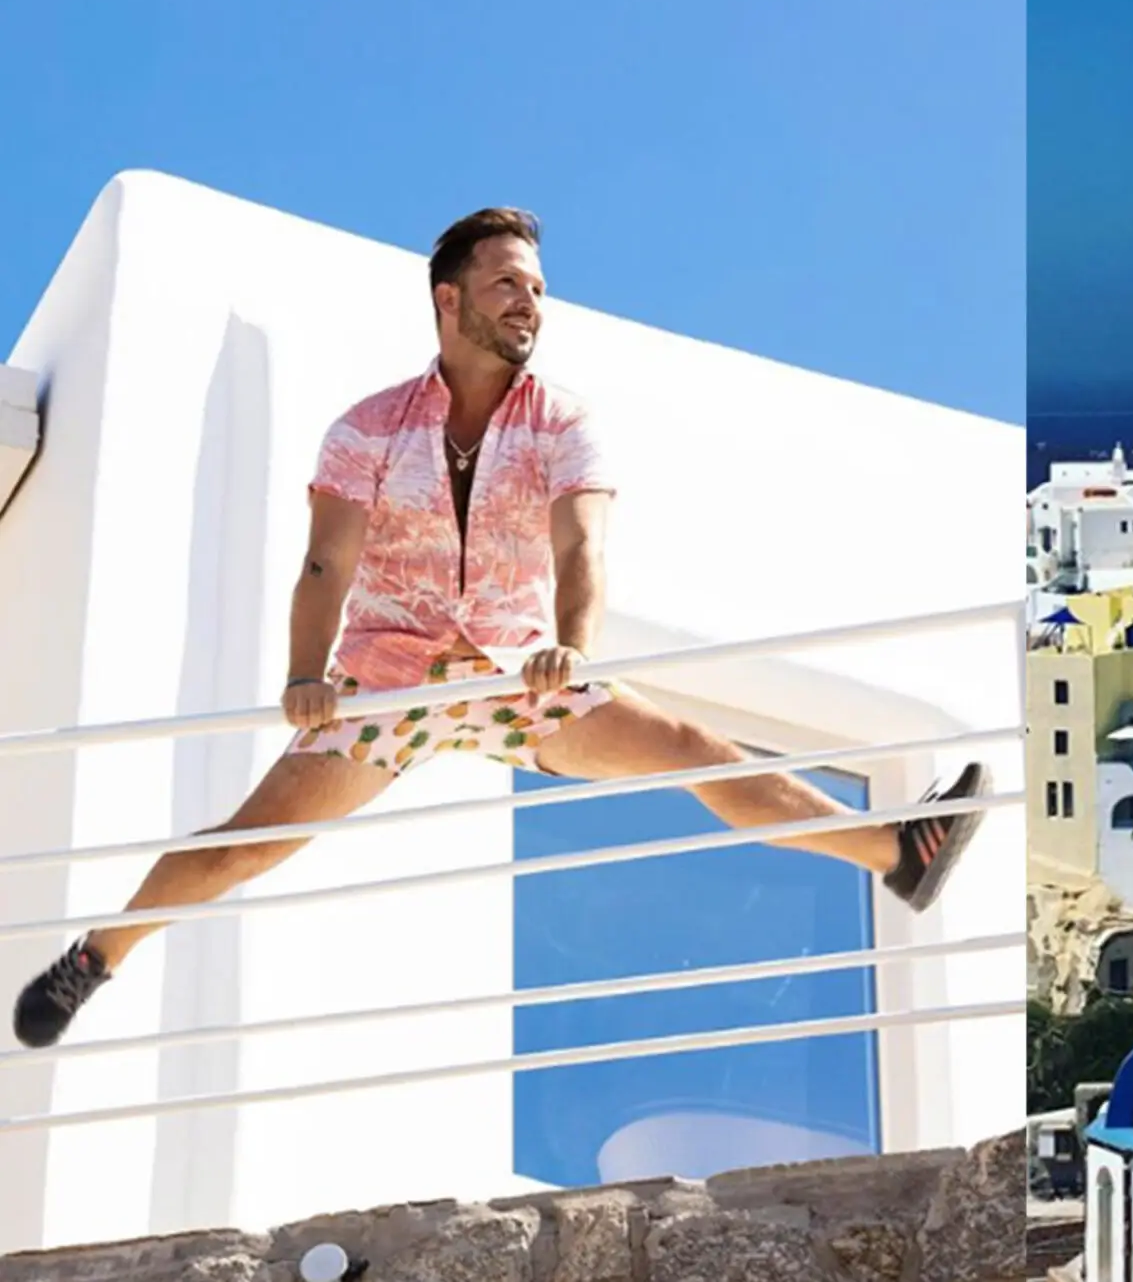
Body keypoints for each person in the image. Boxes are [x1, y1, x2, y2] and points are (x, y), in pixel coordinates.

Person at [13, 208, 987, 1049]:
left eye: (537, 287)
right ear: (449, 300)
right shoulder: (366, 428)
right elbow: (325, 564)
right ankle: (98, 954)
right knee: (241, 848)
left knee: (697, 750)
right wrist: (304, 672)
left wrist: (572, 641)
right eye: (507, 283)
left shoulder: (564, 420)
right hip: (389, 681)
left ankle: (897, 853)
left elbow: (581, 547)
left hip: (517, 678)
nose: (529, 302)